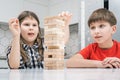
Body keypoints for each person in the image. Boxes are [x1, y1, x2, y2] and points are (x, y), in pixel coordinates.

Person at [6, 11, 72, 69]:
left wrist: (66, 24)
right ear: (19, 27)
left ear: (38, 29)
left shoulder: (44, 43)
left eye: (34, 25)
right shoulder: (14, 47)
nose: (31, 28)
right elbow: (14, 66)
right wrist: (16, 35)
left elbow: (61, 42)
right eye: (26, 24)